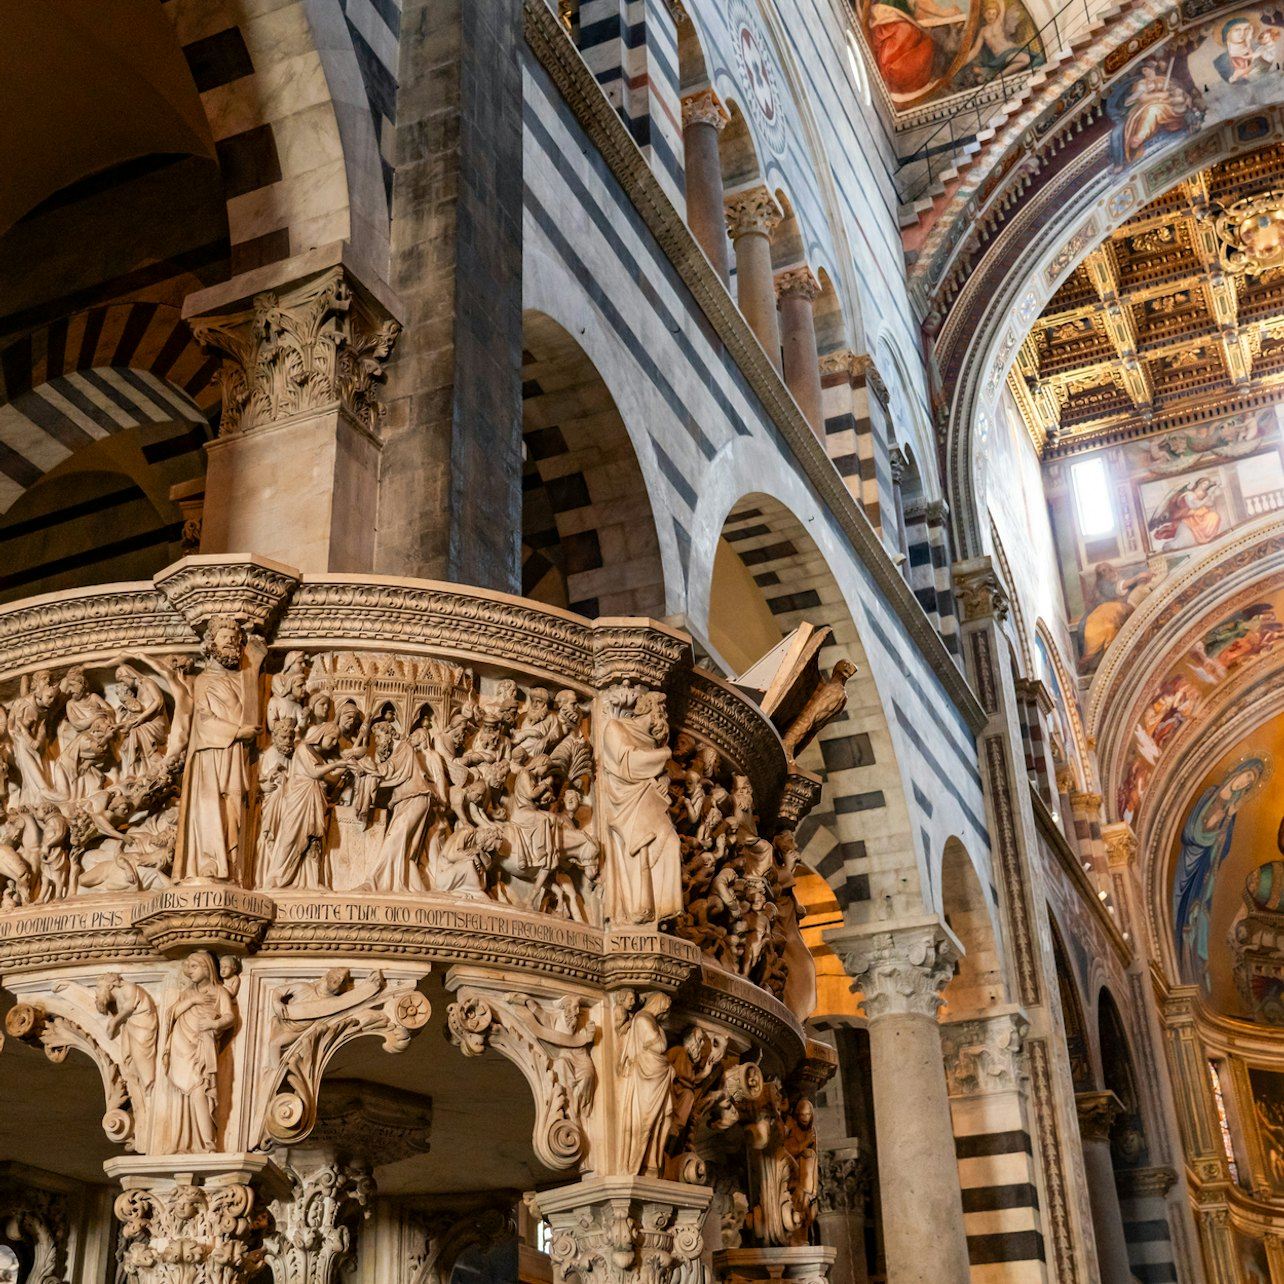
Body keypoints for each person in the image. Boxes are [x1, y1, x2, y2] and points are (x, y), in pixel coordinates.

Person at [174, 617, 263, 882]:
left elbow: (251, 714)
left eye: (236, 639)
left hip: (234, 755)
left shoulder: (243, 679)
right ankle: (210, 863)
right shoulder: (203, 680)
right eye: (226, 638)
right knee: (210, 807)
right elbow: (203, 719)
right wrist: (237, 732)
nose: (232, 643)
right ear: (211, 644)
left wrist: (256, 664)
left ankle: (232, 865)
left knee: (234, 807)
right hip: (210, 754)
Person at [160, 951, 235, 1152]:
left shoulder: (220, 992)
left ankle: (208, 1144)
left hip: (203, 1043)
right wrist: (192, 1002)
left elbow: (229, 1017)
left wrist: (214, 1023)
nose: (189, 971)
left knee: (200, 1088)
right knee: (183, 1093)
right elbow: (171, 1014)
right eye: (187, 967)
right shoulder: (187, 994)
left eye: (194, 967)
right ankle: (186, 1141)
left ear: (207, 967)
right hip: (181, 1044)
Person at [864, 0, 967, 98]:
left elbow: (923, 6)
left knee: (925, 41)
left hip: (894, 18)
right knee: (909, 33)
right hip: (886, 14)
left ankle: (897, 71)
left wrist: (946, 14)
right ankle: (893, 68)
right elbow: (922, 4)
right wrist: (946, 14)